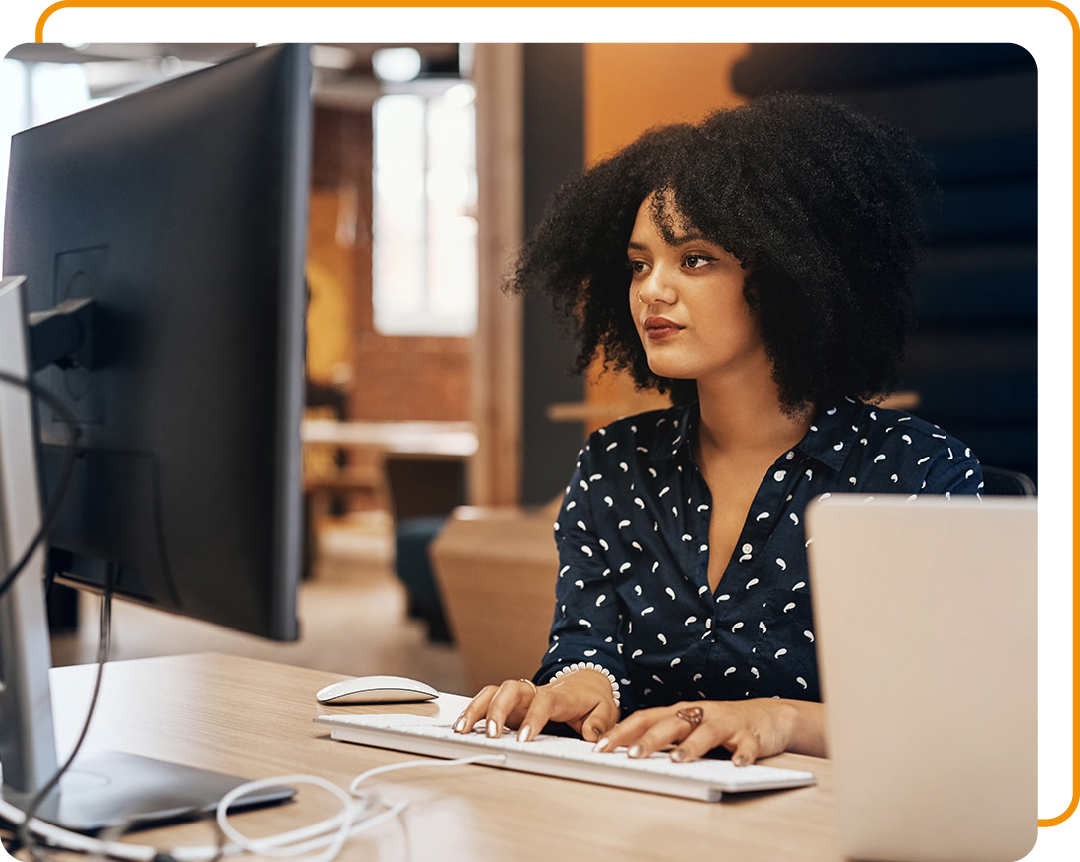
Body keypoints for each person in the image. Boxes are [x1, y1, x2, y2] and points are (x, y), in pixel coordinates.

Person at [454, 93, 983, 767]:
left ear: (789, 276)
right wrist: (577, 687)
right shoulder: (614, 464)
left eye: (694, 259)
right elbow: (587, 648)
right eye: (640, 263)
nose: (652, 290)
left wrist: (781, 721)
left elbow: (944, 711)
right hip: (642, 817)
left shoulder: (915, 473)